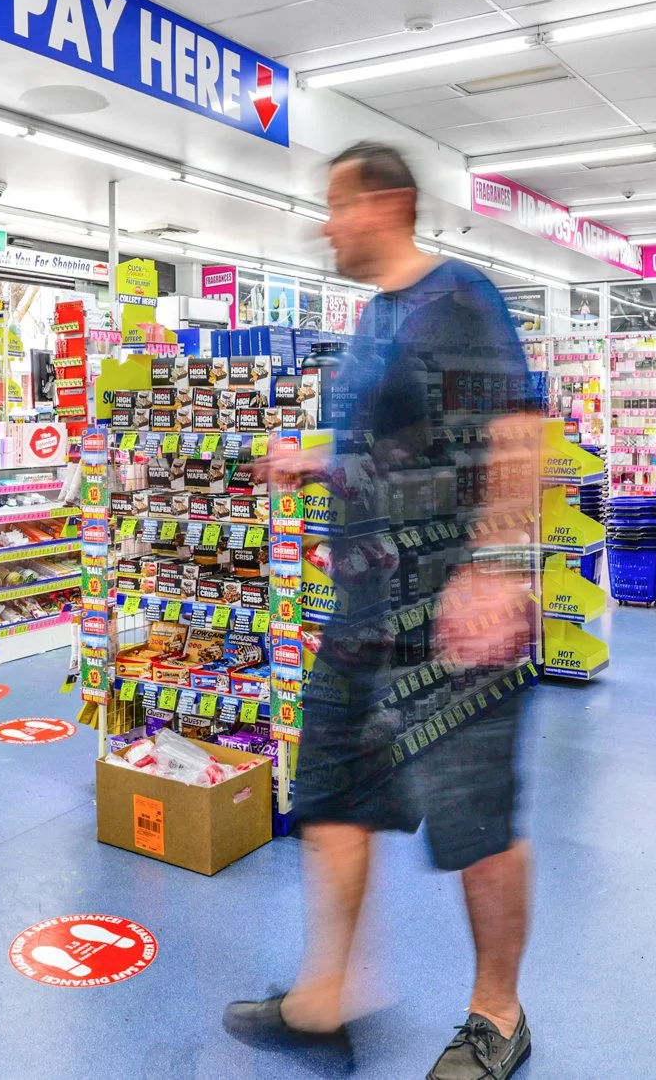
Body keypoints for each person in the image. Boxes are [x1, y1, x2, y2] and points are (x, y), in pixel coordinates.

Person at [224, 142, 542, 1080]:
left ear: (388, 204)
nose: (325, 223)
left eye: (337, 204)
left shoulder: (461, 299)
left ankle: (499, 1014)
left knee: (474, 818)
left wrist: (492, 568)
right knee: (328, 793)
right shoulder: (371, 320)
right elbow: (396, 442)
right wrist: (317, 458)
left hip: (450, 610)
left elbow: (516, 432)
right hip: (361, 605)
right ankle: (328, 994)